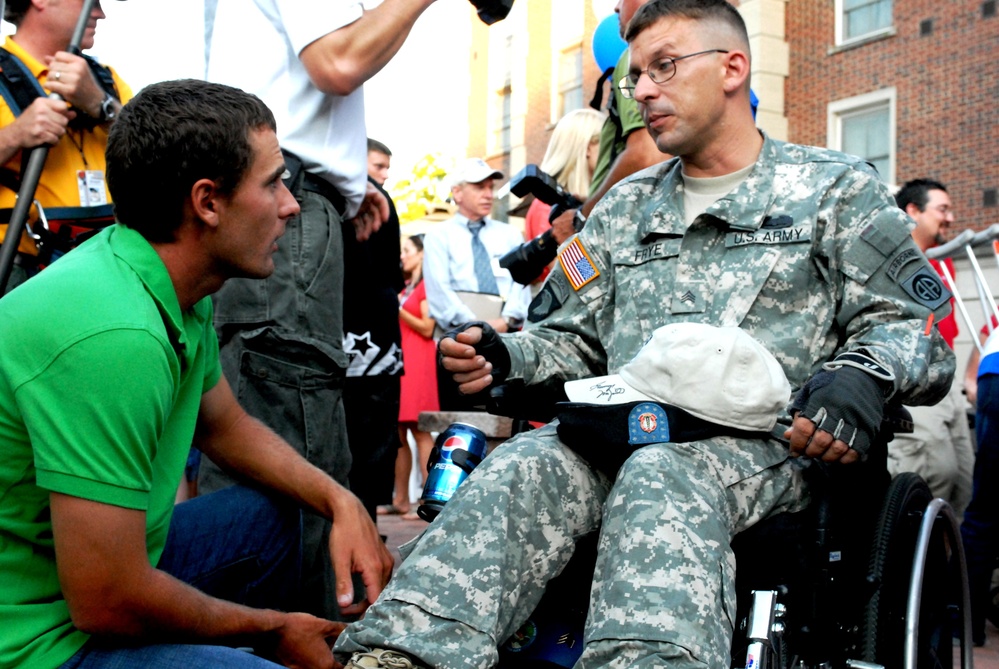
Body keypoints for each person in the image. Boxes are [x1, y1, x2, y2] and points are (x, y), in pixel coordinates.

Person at [333, 1, 955, 667]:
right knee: (520, 466)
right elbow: (569, 341)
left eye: (663, 67)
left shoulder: (832, 190)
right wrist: (501, 355)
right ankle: (402, 653)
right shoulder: (622, 210)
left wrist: (861, 374)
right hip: (618, 432)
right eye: (636, 77)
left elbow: (909, 328)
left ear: (731, 68)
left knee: (664, 474)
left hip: (768, 449)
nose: (643, 91)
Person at [0, 79, 393, 669]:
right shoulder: (116, 335)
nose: (291, 204)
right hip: (36, 635)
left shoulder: (174, 284)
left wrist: (341, 500)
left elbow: (227, 427)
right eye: (273, 182)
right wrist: (269, 630)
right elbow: (105, 600)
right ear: (208, 203)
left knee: (271, 514)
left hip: (90, 579)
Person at [199, 0, 436, 619]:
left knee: (296, 429)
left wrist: (349, 187)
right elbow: (338, 62)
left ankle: (277, 635)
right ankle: (279, 641)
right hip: (285, 193)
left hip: (297, 190)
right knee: (289, 434)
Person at [0, 0, 131, 291]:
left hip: (108, 263)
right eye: (90, 2)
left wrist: (103, 106)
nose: (100, 13)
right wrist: (14, 136)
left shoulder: (107, 81)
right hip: (18, 270)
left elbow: (162, 159)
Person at [887, 178, 974, 518]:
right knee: (934, 474)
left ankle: (949, 563)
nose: (950, 218)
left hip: (948, 381)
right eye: (943, 209)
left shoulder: (943, 261)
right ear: (913, 211)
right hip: (919, 378)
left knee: (964, 479)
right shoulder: (896, 261)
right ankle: (913, 563)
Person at [548, 0, 663, 246]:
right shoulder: (686, 51)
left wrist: (581, 217)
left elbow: (646, 154)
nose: (616, 8)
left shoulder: (634, 57)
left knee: (575, 281)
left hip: (619, 238)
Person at [423, 156, 532, 408]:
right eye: (479, 187)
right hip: (459, 344)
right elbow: (440, 294)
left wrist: (506, 321)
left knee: (508, 419)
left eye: (490, 187)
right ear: (457, 193)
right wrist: (478, 328)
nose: (488, 194)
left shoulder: (509, 234)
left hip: (506, 340)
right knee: (461, 421)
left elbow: (521, 283)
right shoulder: (439, 237)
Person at [342, 138, 405, 521]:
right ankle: (365, 525)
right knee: (371, 445)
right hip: (375, 336)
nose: (383, 175)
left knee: (350, 445)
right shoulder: (370, 199)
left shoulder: (333, 198)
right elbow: (394, 276)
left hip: (348, 335)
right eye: (378, 165)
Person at [378, 234, 438, 519]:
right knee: (398, 433)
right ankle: (400, 498)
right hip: (403, 361)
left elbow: (428, 327)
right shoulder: (409, 286)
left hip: (418, 362)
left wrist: (398, 309)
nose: (403, 255)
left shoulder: (427, 287)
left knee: (420, 429)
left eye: (408, 250)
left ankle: (428, 502)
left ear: (422, 254)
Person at [522, 108, 605, 285]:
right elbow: (581, 280)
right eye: (607, 144)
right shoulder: (547, 207)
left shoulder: (577, 202)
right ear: (588, 147)